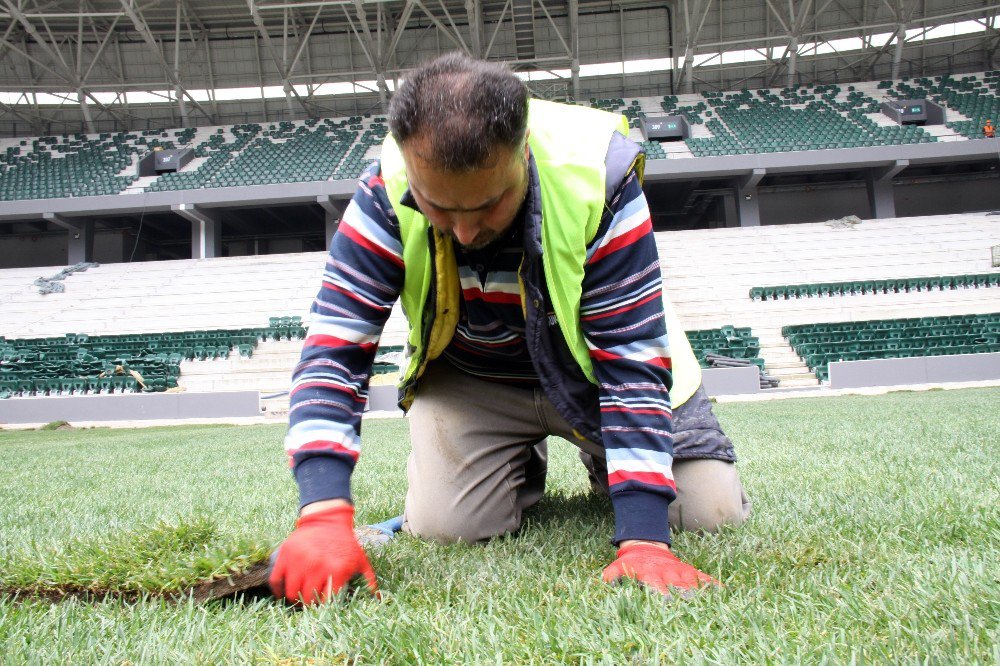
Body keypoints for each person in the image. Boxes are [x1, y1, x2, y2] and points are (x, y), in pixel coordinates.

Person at [269, 53, 750, 606]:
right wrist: (324, 513)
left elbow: (631, 356)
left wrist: (644, 537)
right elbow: (334, 349)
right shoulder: (383, 190)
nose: (467, 230)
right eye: (440, 207)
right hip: (478, 379)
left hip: (596, 372)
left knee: (709, 514)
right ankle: (517, 462)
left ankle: (609, 461)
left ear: (521, 151)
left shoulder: (600, 176)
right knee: (446, 527)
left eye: (490, 203)